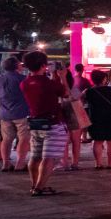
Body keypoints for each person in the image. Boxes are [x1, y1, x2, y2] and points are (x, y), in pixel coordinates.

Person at [19, 50, 68, 196]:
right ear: (43, 65)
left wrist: (53, 77)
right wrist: (62, 77)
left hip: (36, 123)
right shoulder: (49, 83)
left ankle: (35, 185)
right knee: (49, 157)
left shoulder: (25, 83)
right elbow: (65, 93)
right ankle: (39, 188)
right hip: (53, 123)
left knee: (35, 156)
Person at [0, 55, 29, 171]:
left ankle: (6, 163)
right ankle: (20, 163)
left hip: (5, 112)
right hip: (21, 111)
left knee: (7, 139)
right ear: (16, 66)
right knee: (23, 138)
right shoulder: (22, 79)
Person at [84, 69, 111, 169]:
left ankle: (98, 164)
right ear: (104, 79)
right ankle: (110, 163)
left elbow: (81, 101)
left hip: (96, 118)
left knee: (98, 141)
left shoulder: (89, 91)